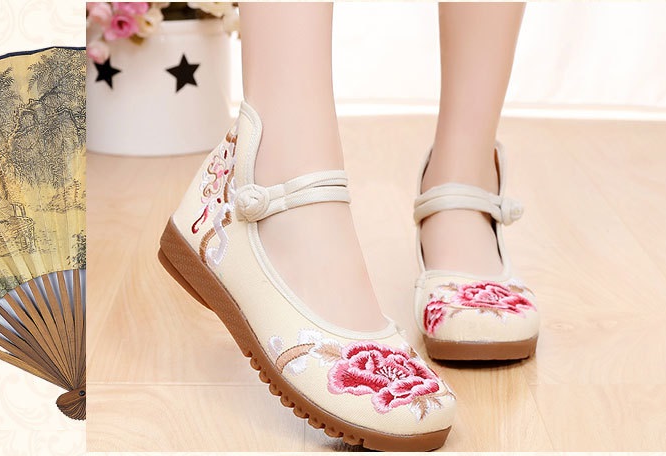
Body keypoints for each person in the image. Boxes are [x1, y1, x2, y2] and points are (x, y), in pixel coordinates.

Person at [159, 3, 538, 450]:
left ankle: (465, 167)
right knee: (288, 126)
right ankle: (284, 169)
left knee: (467, 144)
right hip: (267, 194)